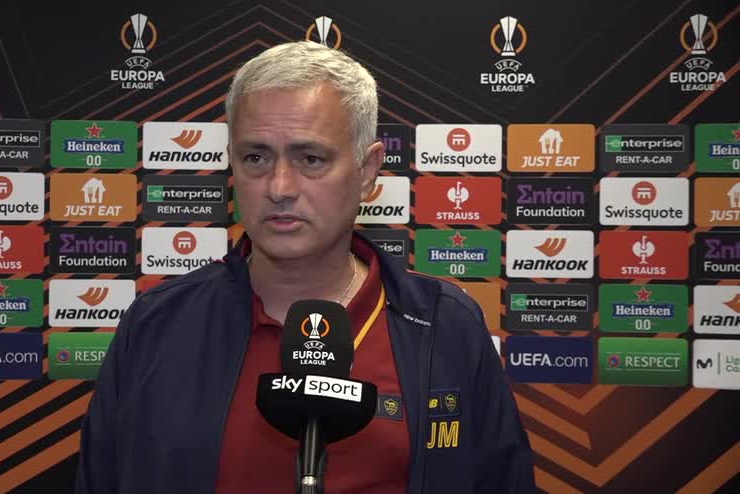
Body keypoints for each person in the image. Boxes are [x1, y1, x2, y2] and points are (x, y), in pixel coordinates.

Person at [75, 40, 534, 493]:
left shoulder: (447, 324)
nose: (279, 187)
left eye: (310, 159)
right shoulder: (155, 325)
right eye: (256, 157)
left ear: (368, 170)